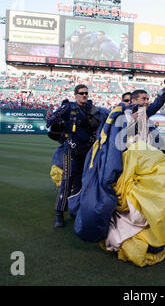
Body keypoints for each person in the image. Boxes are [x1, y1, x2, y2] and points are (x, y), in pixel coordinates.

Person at [46, 84, 109, 227]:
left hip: (87, 151)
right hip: (71, 150)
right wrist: (60, 122)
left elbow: (106, 116)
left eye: (86, 93)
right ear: (75, 95)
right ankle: (59, 213)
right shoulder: (69, 107)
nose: (84, 95)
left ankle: (74, 210)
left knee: (81, 182)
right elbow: (50, 120)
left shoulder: (93, 109)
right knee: (67, 179)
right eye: (81, 93)